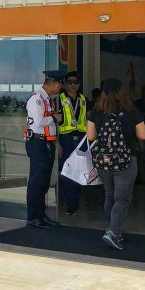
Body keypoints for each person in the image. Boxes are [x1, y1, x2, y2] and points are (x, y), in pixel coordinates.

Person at [87, 78, 145, 251]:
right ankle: (113, 232)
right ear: (122, 92)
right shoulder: (131, 111)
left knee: (110, 196)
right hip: (125, 160)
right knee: (122, 198)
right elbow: (142, 135)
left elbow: (91, 137)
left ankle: (113, 229)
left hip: (103, 161)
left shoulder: (96, 112)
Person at [24, 70, 63, 229]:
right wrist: (55, 118)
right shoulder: (36, 100)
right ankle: (33, 216)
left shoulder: (47, 100)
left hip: (47, 143)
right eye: (60, 84)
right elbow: (39, 122)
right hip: (37, 143)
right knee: (37, 181)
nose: (60, 87)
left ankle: (41, 214)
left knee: (44, 181)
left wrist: (56, 143)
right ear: (54, 84)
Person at [56, 71, 88, 215]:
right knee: (68, 173)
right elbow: (53, 122)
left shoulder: (83, 99)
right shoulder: (59, 99)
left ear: (79, 84)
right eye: (70, 82)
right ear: (65, 83)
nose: (73, 85)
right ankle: (71, 205)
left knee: (79, 173)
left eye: (76, 82)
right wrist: (56, 142)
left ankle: (75, 201)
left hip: (81, 140)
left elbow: (87, 120)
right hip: (65, 140)